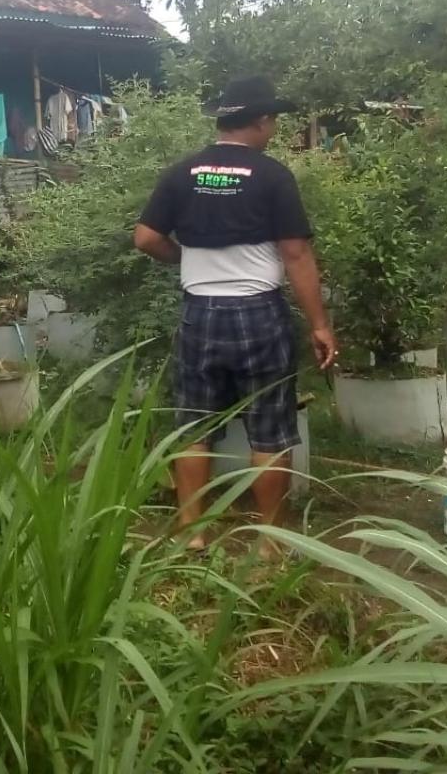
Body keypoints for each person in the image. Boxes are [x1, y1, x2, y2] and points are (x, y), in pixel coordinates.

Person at [133, 75, 338, 556]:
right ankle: (268, 545)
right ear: (261, 120)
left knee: (194, 428)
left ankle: (192, 534)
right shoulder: (272, 176)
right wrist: (320, 324)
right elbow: (296, 254)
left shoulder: (182, 173)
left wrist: (182, 258)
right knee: (269, 432)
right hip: (259, 316)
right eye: (274, 120)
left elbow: (145, 238)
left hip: (199, 316)